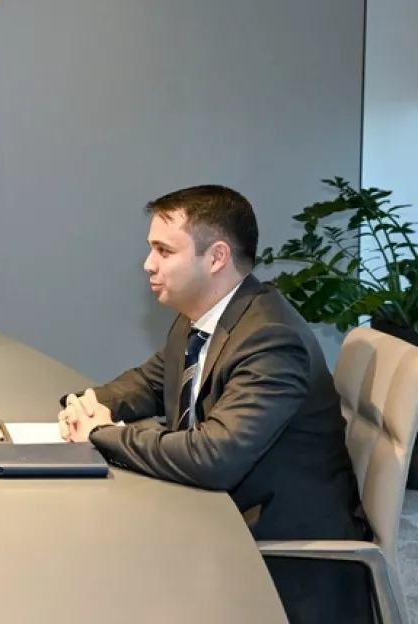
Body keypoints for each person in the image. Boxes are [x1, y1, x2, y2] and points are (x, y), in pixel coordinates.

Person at [58, 185, 374, 623]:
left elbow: (214, 457)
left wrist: (102, 434)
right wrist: (87, 403)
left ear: (216, 257)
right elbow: (152, 381)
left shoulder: (270, 339)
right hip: (220, 514)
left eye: (164, 251)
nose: (148, 264)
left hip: (280, 558)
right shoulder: (202, 319)